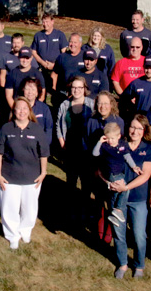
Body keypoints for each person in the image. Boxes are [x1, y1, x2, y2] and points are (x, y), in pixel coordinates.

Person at [0, 96, 50, 249]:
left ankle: (25, 230)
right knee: (9, 208)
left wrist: (43, 173)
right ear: (14, 111)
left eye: (25, 108)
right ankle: (12, 235)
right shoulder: (6, 128)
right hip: (8, 177)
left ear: (29, 111)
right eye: (18, 108)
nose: (22, 111)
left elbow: (44, 154)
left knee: (30, 208)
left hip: (32, 177)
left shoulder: (37, 129)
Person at [110, 114, 151, 279]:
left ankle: (139, 265)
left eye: (139, 128)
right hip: (117, 199)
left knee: (139, 235)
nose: (134, 131)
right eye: (132, 127)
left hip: (138, 199)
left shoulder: (147, 149)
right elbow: (103, 167)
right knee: (119, 233)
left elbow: (146, 175)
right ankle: (122, 263)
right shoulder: (118, 145)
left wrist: (126, 187)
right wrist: (108, 182)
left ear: (144, 131)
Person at [85, 91, 125, 243]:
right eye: (100, 103)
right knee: (99, 200)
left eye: (105, 103)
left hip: (112, 168)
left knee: (112, 201)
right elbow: (87, 143)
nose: (102, 106)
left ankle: (110, 233)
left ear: (111, 105)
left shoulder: (118, 122)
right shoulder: (91, 121)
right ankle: (99, 231)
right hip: (96, 167)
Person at [56, 77, 95, 218]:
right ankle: (71, 211)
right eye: (74, 87)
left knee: (86, 183)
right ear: (70, 89)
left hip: (87, 150)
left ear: (85, 89)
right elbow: (59, 125)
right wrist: (62, 142)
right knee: (71, 181)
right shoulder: (65, 104)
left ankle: (85, 211)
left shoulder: (91, 104)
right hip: (71, 149)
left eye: (80, 87)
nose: (77, 90)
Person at [91, 122, 136, 227]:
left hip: (120, 173)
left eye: (112, 138)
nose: (110, 141)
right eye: (108, 138)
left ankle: (114, 214)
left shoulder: (122, 144)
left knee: (118, 193)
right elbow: (95, 153)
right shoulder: (105, 146)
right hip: (112, 174)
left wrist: (134, 166)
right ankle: (118, 209)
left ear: (118, 136)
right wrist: (100, 142)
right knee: (124, 189)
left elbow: (127, 156)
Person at [32, 14, 68, 93]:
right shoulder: (38, 35)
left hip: (56, 68)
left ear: (52, 22)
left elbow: (64, 53)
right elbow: (33, 52)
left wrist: (55, 65)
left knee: (56, 92)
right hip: (42, 67)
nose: (45, 24)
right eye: (43, 22)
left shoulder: (59, 35)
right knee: (41, 91)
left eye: (47, 22)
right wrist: (43, 63)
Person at [50, 33, 85, 108]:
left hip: (80, 94)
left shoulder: (84, 57)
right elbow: (54, 74)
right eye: (71, 42)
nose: (72, 44)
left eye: (75, 42)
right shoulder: (62, 57)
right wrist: (54, 90)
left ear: (80, 44)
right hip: (63, 94)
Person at [21, 77, 53, 144]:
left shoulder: (44, 108)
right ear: (23, 90)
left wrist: (45, 145)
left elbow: (48, 129)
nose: (30, 92)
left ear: (37, 92)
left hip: (39, 144)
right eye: (27, 89)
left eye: (33, 89)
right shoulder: (18, 107)